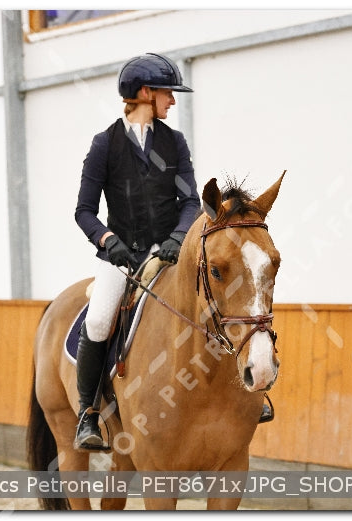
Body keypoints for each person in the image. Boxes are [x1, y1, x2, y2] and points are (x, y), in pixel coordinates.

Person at [73, 53, 200, 450]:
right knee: (98, 321)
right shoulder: (104, 145)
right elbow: (84, 211)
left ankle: (242, 395)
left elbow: (191, 200)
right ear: (146, 93)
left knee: (214, 302)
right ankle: (87, 414)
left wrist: (179, 237)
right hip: (122, 257)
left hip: (168, 255)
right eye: (167, 94)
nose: (172, 102)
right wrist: (109, 242)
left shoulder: (174, 143)